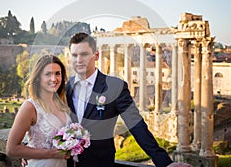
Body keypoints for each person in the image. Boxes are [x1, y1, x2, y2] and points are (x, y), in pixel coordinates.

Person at [66, 32, 191, 167]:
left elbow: (135, 124)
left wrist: (164, 162)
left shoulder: (115, 86)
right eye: (74, 55)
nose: (79, 60)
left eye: (84, 54)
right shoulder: (66, 87)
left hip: (100, 163)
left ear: (96, 55)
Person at [6, 54, 72, 167]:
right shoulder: (30, 107)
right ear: (38, 77)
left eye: (57, 73)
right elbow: (11, 149)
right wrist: (53, 154)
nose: (54, 79)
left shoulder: (62, 103)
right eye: (48, 74)